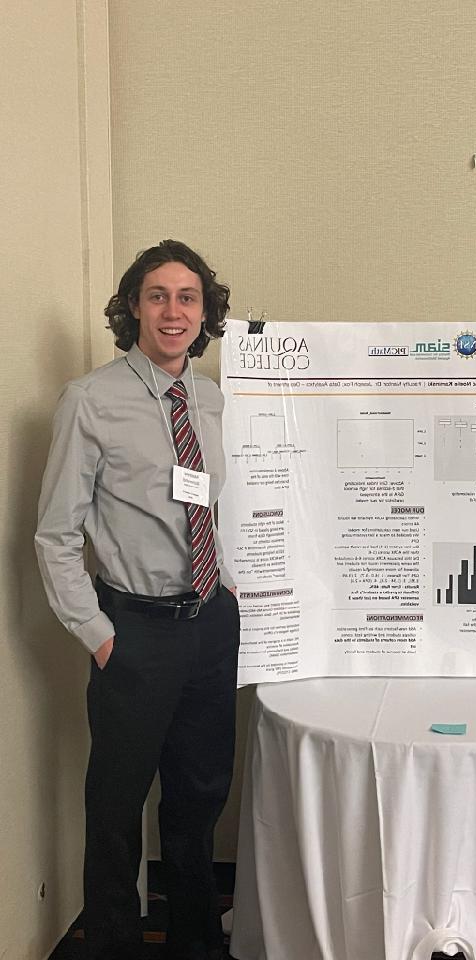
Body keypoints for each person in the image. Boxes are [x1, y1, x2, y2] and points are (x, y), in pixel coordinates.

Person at [35, 240, 240, 960]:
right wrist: (97, 633)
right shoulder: (90, 401)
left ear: (206, 311)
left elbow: (216, 508)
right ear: (132, 307)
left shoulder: (211, 399)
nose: (174, 311)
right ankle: (116, 946)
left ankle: (196, 945)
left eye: (188, 297)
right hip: (134, 633)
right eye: (157, 295)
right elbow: (54, 535)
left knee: (197, 802)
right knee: (117, 812)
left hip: (211, 628)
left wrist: (232, 587)